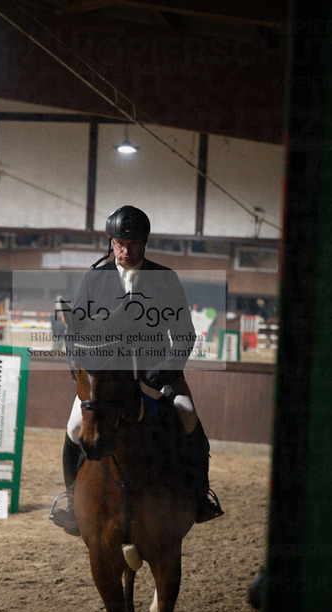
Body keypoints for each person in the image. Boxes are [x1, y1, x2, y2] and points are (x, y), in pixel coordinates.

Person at [50, 205, 223, 535]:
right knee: (74, 428)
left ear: (144, 242)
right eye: (120, 244)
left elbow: (184, 334)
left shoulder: (165, 279)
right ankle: (72, 503)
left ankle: (200, 498)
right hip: (105, 377)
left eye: (133, 244)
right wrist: (82, 374)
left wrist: (166, 371)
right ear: (111, 242)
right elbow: (74, 334)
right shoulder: (93, 279)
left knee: (188, 418)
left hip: (155, 372)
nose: (126, 251)